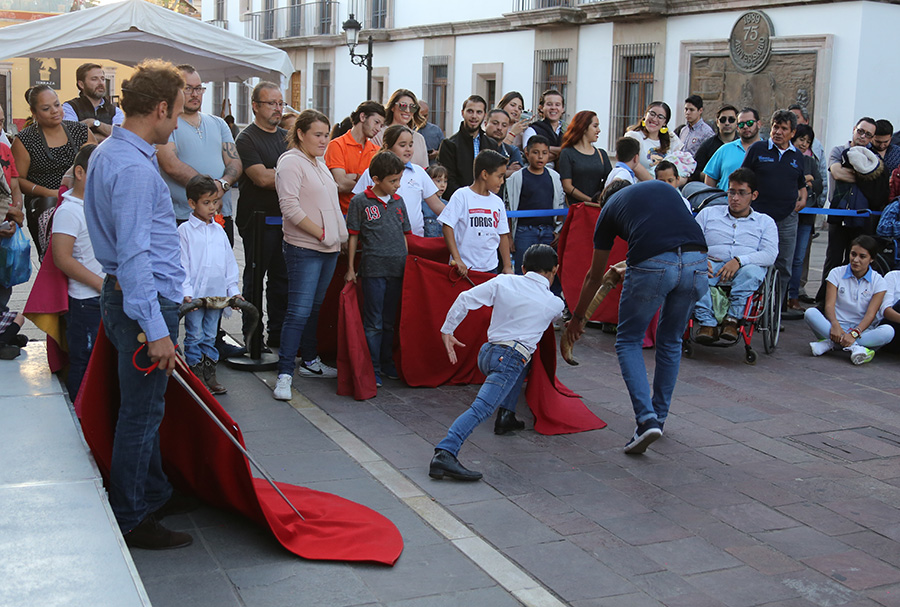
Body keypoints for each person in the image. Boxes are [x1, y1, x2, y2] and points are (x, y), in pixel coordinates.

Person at [83, 59, 193, 550]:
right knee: (142, 414)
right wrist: (158, 329)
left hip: (139, 300)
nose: (181, 119)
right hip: (142, 304)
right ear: (162, 107)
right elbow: (132, 257)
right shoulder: (130, 166)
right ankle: (131, 516)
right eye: (181, 106)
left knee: (144, 408)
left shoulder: (116, 151)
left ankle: (152, 492)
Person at [564, 181, 707, 454]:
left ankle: (646, 419)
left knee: (628, 340)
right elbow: (671, 241)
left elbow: (594, 276)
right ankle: (659, 417)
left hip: (654, 263)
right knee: (671, 340)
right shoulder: (661, 189)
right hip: (697, 260)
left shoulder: (607, 211)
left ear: (605, 200)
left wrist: (577, 318)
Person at [429, 244, 564, 481]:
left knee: (524, 362)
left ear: (523, 267)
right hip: (509, 359)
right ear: (555, 270)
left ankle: (508, 415)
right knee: (481, 408)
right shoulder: (554, 303)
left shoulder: (504, 281)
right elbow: (559, 321)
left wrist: (447, 330)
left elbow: (464, 298)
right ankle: (445, 452)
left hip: (487, 354)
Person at [273, 109, 347, 400]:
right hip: (305, 249)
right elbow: (289, 208)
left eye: (326, 134)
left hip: (328, 249)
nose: (324, 140)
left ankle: (310, 362)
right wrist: (321, 233)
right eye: (318, 134)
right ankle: (284, 374)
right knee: (298, 311)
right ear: (301, 134)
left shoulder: (318, 162)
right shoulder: (291, 162)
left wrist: (334, 237)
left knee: (314, 308)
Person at [345, 151, 411, 387]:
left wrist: (407, 262)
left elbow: (405, 235)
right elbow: (353, 237)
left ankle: (386, 362)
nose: (397, 185)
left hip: (398, 268)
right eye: (392, 181)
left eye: (399, 180)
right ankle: (371, 367)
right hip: (373, 269)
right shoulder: (360, 201)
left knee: (389, 320)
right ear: (376, 179)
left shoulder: (399, 201)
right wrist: (351, 268)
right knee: (372, 322)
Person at [692, 168, 777, 344]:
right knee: (693, 271)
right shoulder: (708, 214)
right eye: (731, 192)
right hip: (710, 263)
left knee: (752, 272)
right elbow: (691, 241)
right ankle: (707, 323)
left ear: (754, 195)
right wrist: (700, 258)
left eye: (741, 193)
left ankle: (733, 319)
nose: (735, 198)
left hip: (745, 266)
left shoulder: (765, 222)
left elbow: (769, 255)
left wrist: (739, 261)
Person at [158, 65, 241, 242]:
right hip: (183, 217)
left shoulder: (219, 124)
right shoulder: (167, 124)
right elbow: (170, 164)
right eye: (188, 88)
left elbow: (234, 162)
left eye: (199, 88)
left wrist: (223, 184)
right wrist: (210, 191)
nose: (195, 94)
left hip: (219, 216)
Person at [234, 82, 288, 348]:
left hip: (286, 220)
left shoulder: (289, 137)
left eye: (280, 103)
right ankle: (252, 337)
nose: (278, 108)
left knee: (282, 280)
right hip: (257, 220)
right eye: (271, 103)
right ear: (255, 106)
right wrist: (294, 176)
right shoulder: (246, 139)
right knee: (255, 280)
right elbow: (261, 178)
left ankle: (278, 335)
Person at [12, 85, 96, 250]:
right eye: (46, 108)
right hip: (44, 203)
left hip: (81, 200)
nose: (54, 111)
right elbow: (18, 180)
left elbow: (95, 166)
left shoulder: (80, 131)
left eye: (57, 105)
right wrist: (49, 193)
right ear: (34, 112)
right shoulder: (25, 140)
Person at [178, 174, 241, 395]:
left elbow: (228, 263)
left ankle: (210, 374)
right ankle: (194, 373)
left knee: (209, 335)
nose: (212, 207)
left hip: (216, 296)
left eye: (215, 202)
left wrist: (233, 291)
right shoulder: (184, 231)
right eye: (206, 203)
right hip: (195, 296)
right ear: (192, 203)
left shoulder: (219, 231)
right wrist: (186, 294)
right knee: (194, 334)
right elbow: (181, 265)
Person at [50, 143, 103, 400]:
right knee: (85, 360)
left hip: (106, 297)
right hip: (85, 301)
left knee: (102, 362)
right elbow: (62, 258)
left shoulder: (102, 205)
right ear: (80, 173)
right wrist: (98, 284)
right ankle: (79, 417)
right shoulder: (69, 210)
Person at [741, 109, 807, 302]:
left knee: (784, 264)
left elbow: (800, 182)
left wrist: (803, 197)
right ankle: (750, 305)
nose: (778, 132)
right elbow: (743, 177)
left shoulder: (797, 156)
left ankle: (775, 309)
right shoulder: (757, 149)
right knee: (754, 261)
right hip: (758, 217)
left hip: (787, 218)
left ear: (792, 132)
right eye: (776, 127)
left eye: (783, 128)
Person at [817, 117, 879, 303]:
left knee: (856, 261)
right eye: (860, 131)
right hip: (838, 212)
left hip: (861, 217)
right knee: (833, 259)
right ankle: (823, 299)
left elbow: (876, 182)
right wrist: (864, 176)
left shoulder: (873, 157)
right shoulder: (838, 150)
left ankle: (847, 301)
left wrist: (861, 176)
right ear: (854, 129)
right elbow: (837, 172)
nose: (863, 136)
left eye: (868, 134)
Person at [804, 235, 893, 364]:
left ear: (872, 259)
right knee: (810, 313)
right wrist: (835, 325)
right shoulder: (836, 273)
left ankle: (831, 344)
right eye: (853, 254)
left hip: (862, 331)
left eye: (862, 256)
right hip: (834, 328)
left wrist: (854, 334)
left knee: (888, 332)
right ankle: (855, 347)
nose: (856, 260)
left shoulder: (879, 281)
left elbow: (870, 314)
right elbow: (829, 306)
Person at [353, 124, 444, 237]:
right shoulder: (371, 172)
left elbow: (436, 205)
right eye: (402, 145)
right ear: (387, 147)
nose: (408, 149)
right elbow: (356, 205)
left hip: (415, 239)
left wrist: (460, 219)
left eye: (411, 145)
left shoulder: (419, 172)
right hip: (380, 241)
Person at [439, 149, 511, 275]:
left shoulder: (498, 202)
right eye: (499, 176)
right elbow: (447, 226)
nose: (502, 181)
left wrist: (507, 266)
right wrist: (457, 259)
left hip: (490, 268)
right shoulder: (462, 195)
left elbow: (503, 235)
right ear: (484, 174)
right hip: (464, 269)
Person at [505, 135, 564, 275]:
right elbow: (508, 208)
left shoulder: (554, 177)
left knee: (546, 270)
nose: (540, 157)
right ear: (527, 153)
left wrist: (558, 230)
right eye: (535, 152)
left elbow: (560, 204)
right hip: (524, 231)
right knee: (523, 269)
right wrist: (508, 237)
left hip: (548, 231)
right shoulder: (516, 178)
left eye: (544, 153)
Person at [324, 100, 385, 214]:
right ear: (362, 117)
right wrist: (366, 182)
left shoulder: (377, 150)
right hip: (343, 215)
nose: (378, 128)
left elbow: (381, 187)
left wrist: (355, 177)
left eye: (381, 125)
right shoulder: (337, 145)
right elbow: (341, 185)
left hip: (370, 216)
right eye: (376, 122)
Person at [787, 124, 824, 311]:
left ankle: (794, 295)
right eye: (801, 139)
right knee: (784, 255)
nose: (804, 144)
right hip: (787, 214)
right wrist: (806, 179)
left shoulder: (811, 162)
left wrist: (809, 178)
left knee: (799, 258)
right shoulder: (787, 158)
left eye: (808, 141)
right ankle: (780, 293)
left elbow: (819, 184)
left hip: (806, 216)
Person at [438, 95, 499, 198]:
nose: (474, 116)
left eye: (479, 112)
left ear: (484, 115)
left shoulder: (492, 144)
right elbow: (448, 180)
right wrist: (468, 199)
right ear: (463, 113)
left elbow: (495, 176)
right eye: (470, 111)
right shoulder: (449, 145)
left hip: (486, 203)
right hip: (460, 204)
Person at [558, 110, 613, 205]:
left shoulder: (601, 154)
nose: (598, 130)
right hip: (577, 208)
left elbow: (610, 181)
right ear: (583, 128)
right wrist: (590, 200)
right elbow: (567, 186)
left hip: (598, 208)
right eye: (595, 126)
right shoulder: (567, 153)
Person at [62, 62, 124, 143]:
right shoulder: (70, 107)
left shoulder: (115, 111)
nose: (101, 83)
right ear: (81, 84)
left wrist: (94, 123)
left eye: (102, 79)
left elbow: (122, 136)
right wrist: (106, 137)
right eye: (94, 79)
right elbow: (70, 136)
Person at [703, 108, 761, 192]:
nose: (745, 127)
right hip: (725, 202)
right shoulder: (725, 149)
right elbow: (710, 177)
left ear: (759, 124)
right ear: (737, 127)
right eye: (741, 124)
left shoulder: (767, 150)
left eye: (750, 123)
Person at [624, 101, 683, 181]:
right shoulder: (634, 136)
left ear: (665, 122)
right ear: (645, 115)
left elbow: (683, 167)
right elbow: (634, 165)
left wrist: (672, 185)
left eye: (660, 117)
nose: (655, 119)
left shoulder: (672, 139)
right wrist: (656, 185)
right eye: (652, 114)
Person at [372, 89, 429, 168]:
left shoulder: (419, 139)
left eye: (412, 107)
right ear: (392, 107)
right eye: (403, 106)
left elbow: (425, 170)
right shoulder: (378, 134)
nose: (407, 111)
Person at [690, 104, 738, 182]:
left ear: (737, 122)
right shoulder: (707, 145)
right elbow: (694, 171)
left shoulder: (742, 145)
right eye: (723, 119)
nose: (727, 123)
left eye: (731, 119)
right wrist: (712, 175)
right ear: (717, 122)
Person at [522, 89, 565, 164]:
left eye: (557, 104)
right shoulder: (532, 129)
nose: (553, 108)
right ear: (541, 108)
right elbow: (529, 155)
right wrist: (562, 151)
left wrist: (542, 150)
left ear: (562, 109)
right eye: (549, 104)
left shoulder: (568, 129)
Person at [483, 108, 524, 176]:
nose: (499, 128)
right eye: (495, 123)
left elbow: (517, 174)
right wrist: (506, 170)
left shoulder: (512, 151)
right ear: (485, 124)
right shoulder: (476, 146)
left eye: (504, 125)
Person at [423, 164, 449, 237]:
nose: (443, 185)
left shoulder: (447, 205)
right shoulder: (421, 205)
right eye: (438, 181)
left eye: (445, 181)